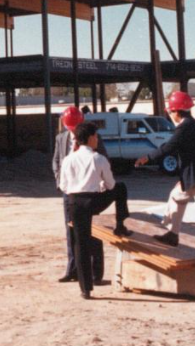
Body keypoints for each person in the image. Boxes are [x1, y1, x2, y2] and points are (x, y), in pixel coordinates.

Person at [135, 90, 195, 270]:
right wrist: (184, 179)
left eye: (170, 112)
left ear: (176, 111)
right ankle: (172, 234)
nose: (170, 115)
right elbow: (192, 153)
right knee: (176, 197)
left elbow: (169, 147)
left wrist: (147, 157)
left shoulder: (185, 127)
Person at [60, 121, 132, 299]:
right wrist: (99, 185)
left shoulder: (68, 159)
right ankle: (120, 224)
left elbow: (63, 185)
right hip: (93, 201)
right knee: (121, 188)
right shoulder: (99, 158)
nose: (97, 140)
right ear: (92, 137)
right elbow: (111, 184)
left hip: (74, 203)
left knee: (80, 243)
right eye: (96, 136)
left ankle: (86, 289)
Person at [52, 106, 108, 284]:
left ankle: (95, 273)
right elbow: (56, 161)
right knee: (71, 231)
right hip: (70, 192)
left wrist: (100, 182)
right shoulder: (61, 138)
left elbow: (104, 160)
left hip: (90, 191)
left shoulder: (94, 138)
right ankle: (73, 270)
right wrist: (61, 182)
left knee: (93, 231)